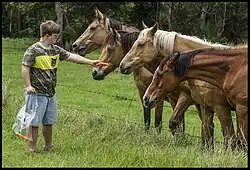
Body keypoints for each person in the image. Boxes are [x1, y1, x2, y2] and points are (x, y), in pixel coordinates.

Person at [21, 20, 101, 153]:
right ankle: (32, 149)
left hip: (50, 94)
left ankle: (48, 147)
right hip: (36, 94)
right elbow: (25, 68)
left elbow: (72, 57)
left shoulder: (55, 50)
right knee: (34, 123)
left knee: (49, 122)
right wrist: (28, 86)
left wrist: (91, 62)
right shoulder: (33, 50)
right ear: (46, 35)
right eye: (55, 36)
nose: (57, 38)